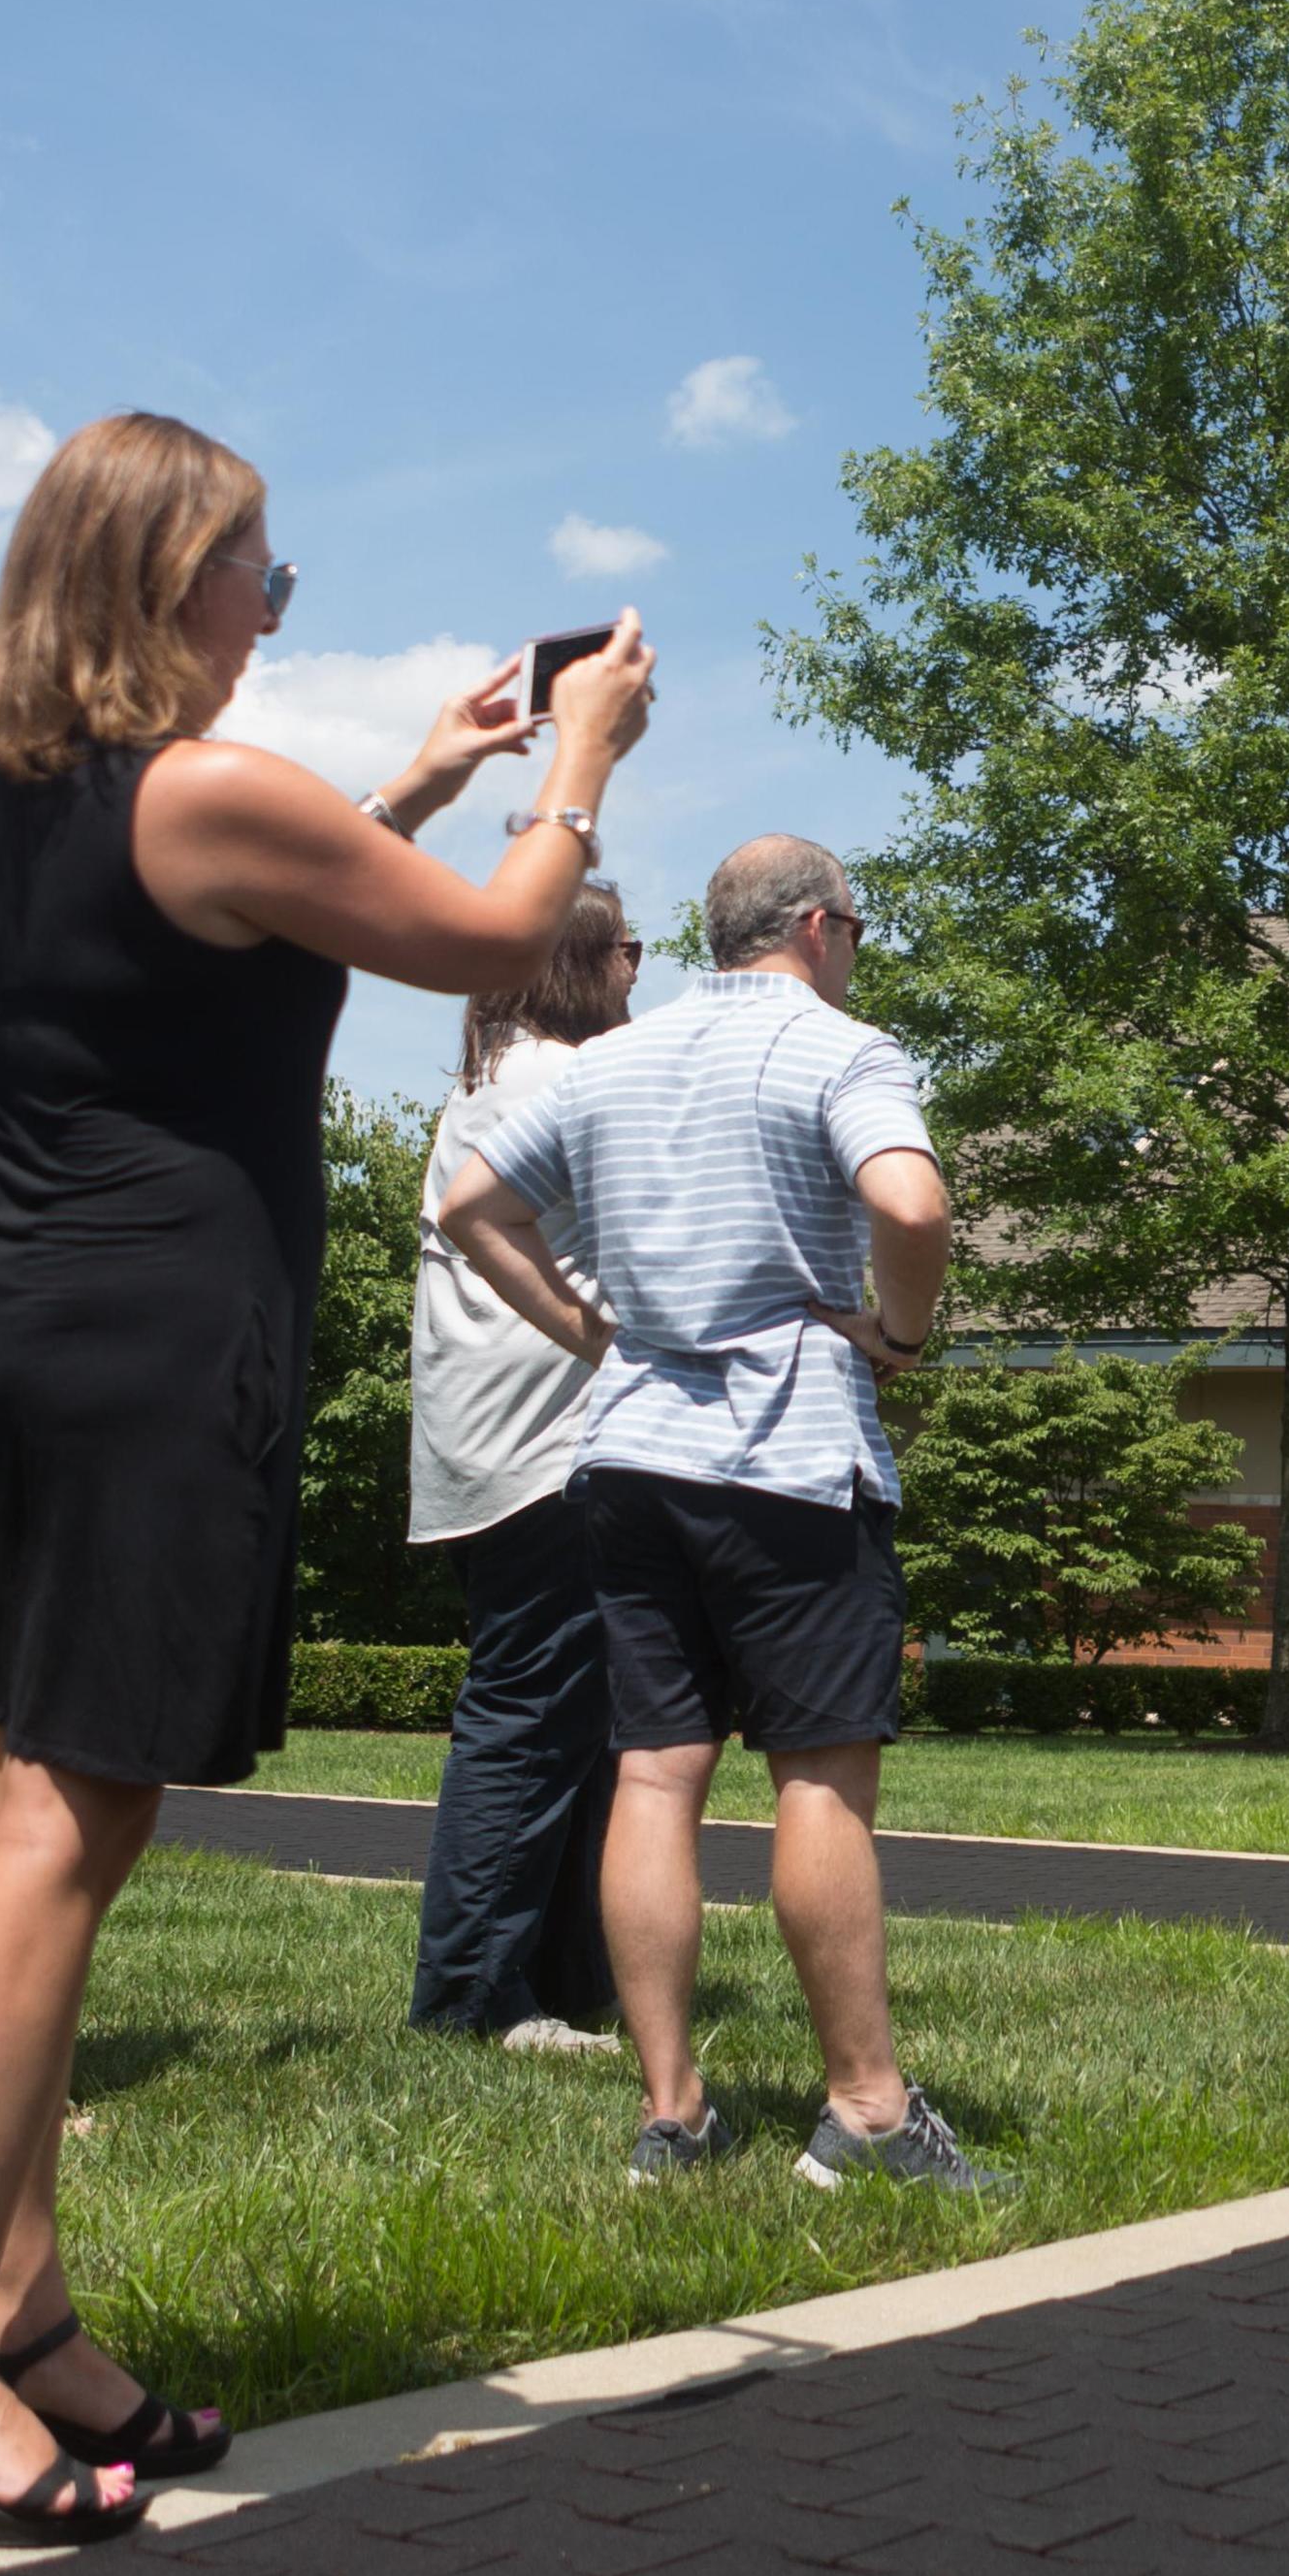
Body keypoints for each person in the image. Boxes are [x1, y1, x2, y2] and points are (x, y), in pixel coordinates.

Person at [0, 412, 653, 2550]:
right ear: (174, 580)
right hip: (150, 1351)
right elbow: (494, 938)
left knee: (25, 1812)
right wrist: (576, 757)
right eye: (264, 568)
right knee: (55, 1833)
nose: (277, 600)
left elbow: (228, 918)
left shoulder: (19, 794)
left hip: (23, 1335)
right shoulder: (208, 786)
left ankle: (27, 2306)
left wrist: (413, 781)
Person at [440, 832, 1001, 2194]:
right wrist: (901, 1334)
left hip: (628, 1457)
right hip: (792, 1459)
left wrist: (592, 1327)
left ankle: (673, 2111)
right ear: (815, 927)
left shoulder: (615, 1059)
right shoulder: (837, 1047)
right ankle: (867, 2112)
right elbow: (912, 1202)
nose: (856, 949)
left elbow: (471, 1203)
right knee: (817, 1777)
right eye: (855, 927)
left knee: (651, 1772)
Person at [405, 884, 641, 2050]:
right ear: (574, 962)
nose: (641, 964)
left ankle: (556, 1978)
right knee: (534, 1713)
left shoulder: (489, 1082)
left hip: (487, 1456)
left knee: (572, 1712)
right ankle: (471, 1992)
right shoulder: (559, 1080)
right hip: (542, 1457)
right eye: (626, 946)